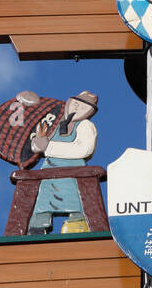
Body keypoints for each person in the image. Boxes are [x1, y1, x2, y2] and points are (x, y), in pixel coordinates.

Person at [27, 91, 99, 234]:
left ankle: (76, 226)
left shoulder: (85, 126)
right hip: (49, 172)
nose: (77, 109)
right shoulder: (56, 123)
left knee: (76, 202)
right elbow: (37, 143)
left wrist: (49, 147)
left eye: (83, 108)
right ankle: (37, 228)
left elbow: (84, 149)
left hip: (73, 173)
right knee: (43, 200)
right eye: (75, 104)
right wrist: (39, 141)